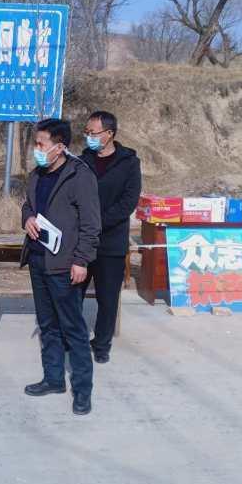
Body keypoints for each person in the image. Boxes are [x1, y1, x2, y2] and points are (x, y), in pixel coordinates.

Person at [21, 118, 101, 415]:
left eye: (41, 144)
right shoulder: (36, 175)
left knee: (73, 329)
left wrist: (81, 260)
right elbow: (28, 205)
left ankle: (82, 391)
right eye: (36, 143)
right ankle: (53, 379)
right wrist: (27, 218)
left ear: (59, 147)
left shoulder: (79, 176)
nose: (36, 149)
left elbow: (92, 224)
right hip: (38, 259)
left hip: (65, 265)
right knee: (47, 325)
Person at [80, 110, 142, 363]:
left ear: (109, 134)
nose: (89, 137)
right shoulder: (83, 160)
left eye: (93, 133)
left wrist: (99, 222)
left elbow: (128, 202)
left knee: (107, 298)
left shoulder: (129, 163)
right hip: (82, 241)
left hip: (111, 241)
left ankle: (102, 344)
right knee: (73, 295)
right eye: (86, 132)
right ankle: (73, 338)